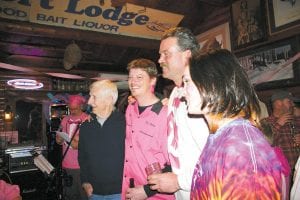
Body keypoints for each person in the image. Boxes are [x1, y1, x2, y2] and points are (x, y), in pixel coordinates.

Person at [183, 49, 288, 199]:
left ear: (212, 84)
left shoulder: (241, 147)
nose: (182, 91)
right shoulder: (221, 135)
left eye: (187, 81)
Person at [147, 27, 209, 199]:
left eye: (166, 54)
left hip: (202, 190)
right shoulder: (175, 92)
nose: (160, 60)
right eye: (160, 54)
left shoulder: (202, 96)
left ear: (187, 55)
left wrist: (180, 181)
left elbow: (216, 159)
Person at [122, 58, 174, 200]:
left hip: (156, 194)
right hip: (130, 188)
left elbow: (174, 162)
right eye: (130, 78)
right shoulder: (130, 109)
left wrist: (147, 190)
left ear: (152, 81)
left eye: (139, 77)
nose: (133, 82)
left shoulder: (166, 114)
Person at [78, 80, 126, 200]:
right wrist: (85, 181)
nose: (89, 102)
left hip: (120, 191)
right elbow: (82, 157)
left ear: (109, 99)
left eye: (94, 97)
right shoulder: (86, 125)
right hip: (94, 191)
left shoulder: (126, 124)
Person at [56, 94, 88, 200]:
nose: (72, 111)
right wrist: (59, 139)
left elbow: (78, 145)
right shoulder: (65, 119)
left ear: (81, 107)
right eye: (70, 109)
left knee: (83, 195)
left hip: (81, 166)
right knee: (69, 195)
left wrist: (74, 142)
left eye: (75, 109)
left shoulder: (87, 120)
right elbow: (58, 139)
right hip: (66, 164)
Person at [261, 90, 300, 170]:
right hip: (281, 172)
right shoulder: (265, 122)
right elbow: (264, 144)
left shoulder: (295, 120)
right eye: (289, 101)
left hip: (297, 171)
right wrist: (278, 124)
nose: (292, 105)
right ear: (279, 103)